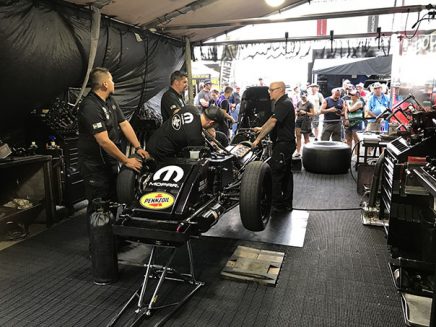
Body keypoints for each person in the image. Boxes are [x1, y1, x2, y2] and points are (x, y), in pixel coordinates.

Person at [252, 81, 295, 213]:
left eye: (271, 90)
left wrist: (258, 139)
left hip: (283, 144)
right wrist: (261, 128)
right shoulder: (283, 103)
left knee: (276, 174)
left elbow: (273, 122)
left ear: (280, 89)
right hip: (286, 144)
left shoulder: (284, 103)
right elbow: (272, 119)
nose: (269, 92)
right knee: (286, 174)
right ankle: (286, 204)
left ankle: (276, 205)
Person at [146, 105, 225, 161]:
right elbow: (194, 161)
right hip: (160, 156)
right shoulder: (196, 139)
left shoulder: (189, 108)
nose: (213, 128)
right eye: (214, 126)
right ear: (211, 123)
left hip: (151, 142)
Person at [344, 89, 365, 156]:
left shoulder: (359, 102)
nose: (350, 96)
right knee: (348, 139)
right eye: (350, 95)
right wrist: (346, 119)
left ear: (357, 96)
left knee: (356, 140)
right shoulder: (349, 101)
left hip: (357, 122)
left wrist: (347, 103)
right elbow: (346, 111)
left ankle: (356, 155)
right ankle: (348, 154)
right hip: (349, 122)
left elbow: (350, 109)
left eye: (352, 95)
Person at [294, 90, 315, 158]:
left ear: (306, 95)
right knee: (298, 136)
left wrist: (305, 112)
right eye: (301, 96)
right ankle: (298, 152)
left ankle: (307, 152)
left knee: (306, 137)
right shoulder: (299, 103)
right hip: (298, 120)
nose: (303, 97)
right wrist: (297, 113)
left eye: (304, 96)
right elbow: (296, 111)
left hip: (306, 121)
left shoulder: (310, 104)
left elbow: (313, 114)